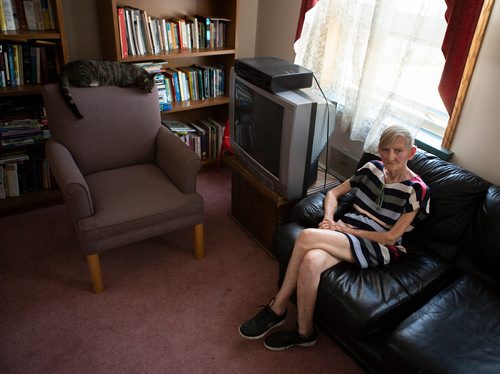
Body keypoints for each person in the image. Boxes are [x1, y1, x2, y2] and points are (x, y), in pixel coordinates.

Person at [238, 125, 430, 351]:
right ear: (378, 150)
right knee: (311, 261)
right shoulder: (371, 169)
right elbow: (332, 193)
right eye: (385, 150)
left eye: (398, 151)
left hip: (379, 245)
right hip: (347, 231)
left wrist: (344, 231)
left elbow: (391, 237)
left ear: (411, 152)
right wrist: (329, 218)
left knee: (306, 237)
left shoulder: (416, 190)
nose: (391, 157)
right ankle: (304, 332)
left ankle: (277, 308)